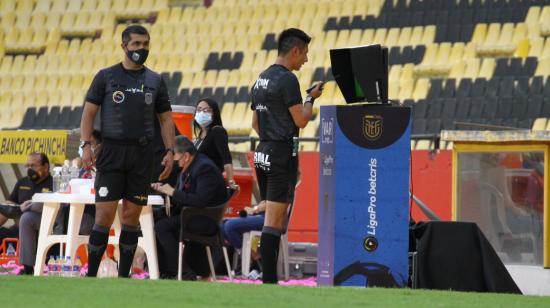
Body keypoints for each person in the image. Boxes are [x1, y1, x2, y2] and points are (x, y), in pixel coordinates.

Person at [80, 24, 176, 278]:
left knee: (131, 216)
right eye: (136, 44)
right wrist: (85, 144)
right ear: (124, 46)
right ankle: (90, 276)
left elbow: (166, 119)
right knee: (103, 215)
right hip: (111, 152)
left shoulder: (155, 80)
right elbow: (89, 112)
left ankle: (124, 279)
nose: (141, 49)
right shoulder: (106, 76)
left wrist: (170, 151)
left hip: (142, 155)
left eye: (145, 44)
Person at [250, 28, 322, 283]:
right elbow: (302, 120)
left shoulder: (261, 78)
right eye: (304, 54)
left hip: (262, 153)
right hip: (280, 155)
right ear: (294, 51)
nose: (305, 59)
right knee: (274, 219)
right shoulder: (288, 80)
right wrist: (310, 99)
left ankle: (266, 274)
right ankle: (268, 280)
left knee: (272, 216)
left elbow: (256, 123)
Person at [151, 136, 228, 280]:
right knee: (157, 220)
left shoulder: (204, 168)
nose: (173, 161)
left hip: (205, 219)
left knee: (162, 227)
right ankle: (166, 271)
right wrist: (164, 189)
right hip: (193, 214)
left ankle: (183, 272)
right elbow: (187, 194)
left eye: (174, 156)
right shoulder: (192, 165)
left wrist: (173, 192)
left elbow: (200, 200)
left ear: (185, 156)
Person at [16, 153, 53, 274]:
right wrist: (18, 208)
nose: (29, 169)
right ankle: (28, 269)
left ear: (45, 167)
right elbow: (8, 208)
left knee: (27, 217)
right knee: (25, 218)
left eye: (33, 165)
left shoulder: (55, 182)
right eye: (28, 165)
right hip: (29, 222)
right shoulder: (22, 182)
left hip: (52, 220)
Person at [193, 98, 239, 190]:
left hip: (210, 181)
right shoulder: (199, 136)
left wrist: (231, 181)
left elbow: (226, 157)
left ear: (215, 113)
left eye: (206, 110)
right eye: (199, 110)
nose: (202, 113)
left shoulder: (217, 131)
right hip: (198, 181)